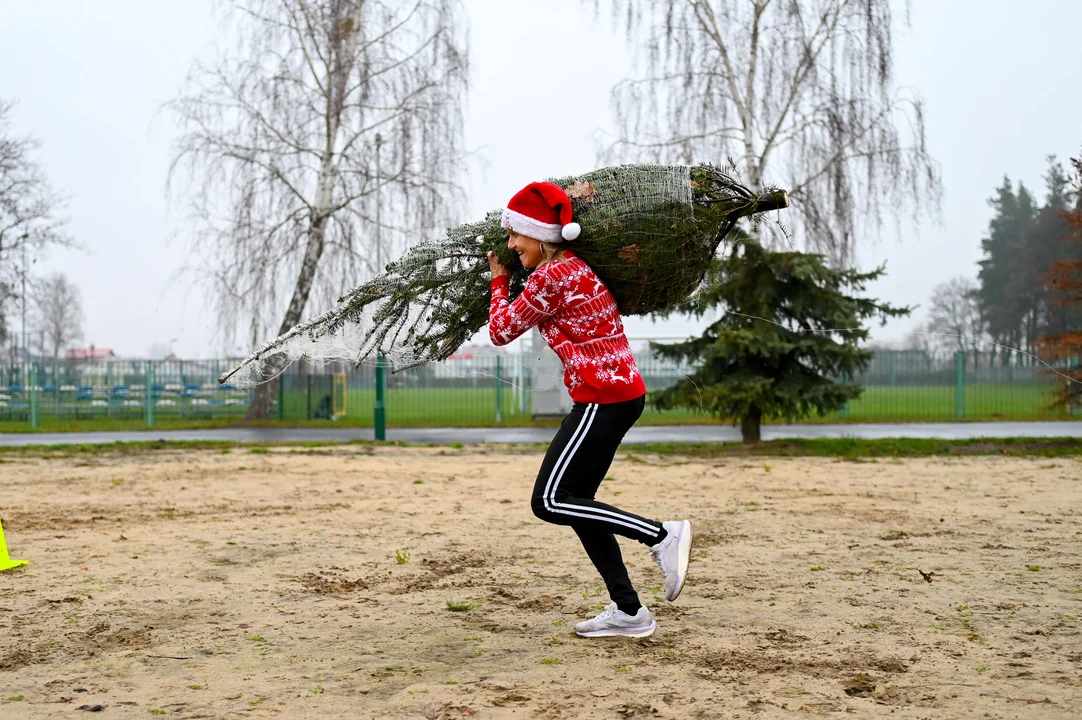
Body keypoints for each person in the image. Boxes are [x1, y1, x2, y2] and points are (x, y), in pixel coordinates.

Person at [487, 181, 692, 639]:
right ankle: (629, 611)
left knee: (550, 500)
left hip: (604, 398)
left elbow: (500, 331)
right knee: (578, 504)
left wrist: (498, 280)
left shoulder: (550, 278)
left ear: (540, 235)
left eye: (516, 235)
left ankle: (661, 535)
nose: (511, 244)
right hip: (617, 396)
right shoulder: (571, 268)